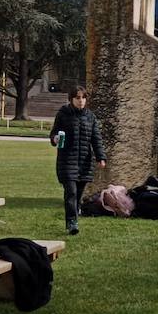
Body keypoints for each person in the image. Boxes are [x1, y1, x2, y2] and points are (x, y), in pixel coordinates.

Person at [50, 86, 106, 235]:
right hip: (67, 160)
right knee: (71, 193)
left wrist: (101, 157)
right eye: (77, 98)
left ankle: (75, 212)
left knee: (78, 194)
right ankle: (71, 222)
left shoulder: (90, 117)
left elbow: (96, 139)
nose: (81, 101)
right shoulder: (63, 114)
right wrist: (55, 139)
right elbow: (54, 132)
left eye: (83, 98)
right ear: (71, 99)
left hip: (84, 162)